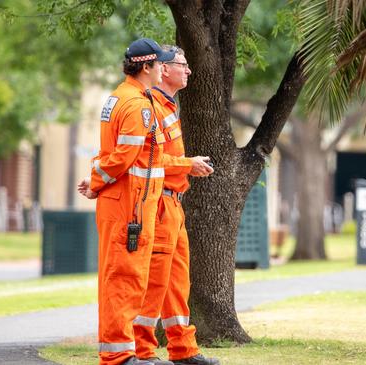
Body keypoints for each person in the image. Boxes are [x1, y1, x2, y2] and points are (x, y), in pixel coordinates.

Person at [78, 38, 175, 365]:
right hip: (129, 206)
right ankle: (119, 354)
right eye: (161, 63)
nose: (165, 68)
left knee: (122, 277)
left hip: (126, 203)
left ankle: (124, 351)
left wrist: (96, 182)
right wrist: (95, 183)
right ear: (146, 66)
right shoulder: (138, 105)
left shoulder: (123, 97)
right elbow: (123, 156)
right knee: (124, 279)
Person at [133, 46, 218, 365]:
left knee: (177, 282)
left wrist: (185, 167)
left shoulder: (168, 106)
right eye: (183, 65)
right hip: (157, 204)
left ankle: (183, 350)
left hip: (174, 206)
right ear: (164, 69)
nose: (189, 71)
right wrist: (186, 164)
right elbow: (146, 157)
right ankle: (141, 351)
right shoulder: (150, 107)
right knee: (155, 281)